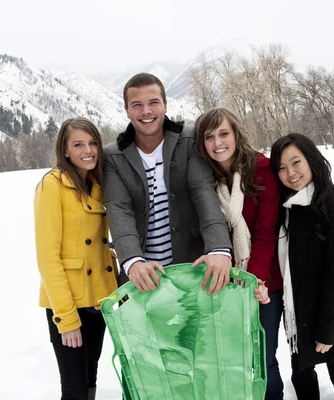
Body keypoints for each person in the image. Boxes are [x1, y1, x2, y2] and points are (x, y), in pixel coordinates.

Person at [103, 73, 232, 294]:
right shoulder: (113, 156)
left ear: (165, 104)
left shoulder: (190, 140)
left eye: (153, 102)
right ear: (126, 110)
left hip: (193, 270)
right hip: (145, 279)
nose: (146, 111)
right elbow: (118, 209)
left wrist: (219, 248)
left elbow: (203, 192)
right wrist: (133, 261)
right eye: (137, 105)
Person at [270, 134, 334, 400]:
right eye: (282, 167)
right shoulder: (286, 207)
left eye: (296, 162)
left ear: (312, 161)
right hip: (299, 307)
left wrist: (328, 330)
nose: (290, 173)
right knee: (301, 373)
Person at [194, 107, 284, 399]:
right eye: (210, 137)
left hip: (262, 282)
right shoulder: (204, 178)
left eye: (224, 133)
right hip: (222, 283)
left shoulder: (261, 170)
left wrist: (254, 279)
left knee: (263, 357)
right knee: (233, 360)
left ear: (236, 135)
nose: (218, 142)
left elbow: (265, 233)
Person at [34, 117, 118, 400]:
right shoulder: (52, 185)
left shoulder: (97, 183)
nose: (88, 150)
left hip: (99, 298)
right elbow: (48, 257)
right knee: (74, 388)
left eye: (93, 143)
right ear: (65, 150)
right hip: (68, 301)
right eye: (78, 144)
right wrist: (67, 319)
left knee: (89, 376)